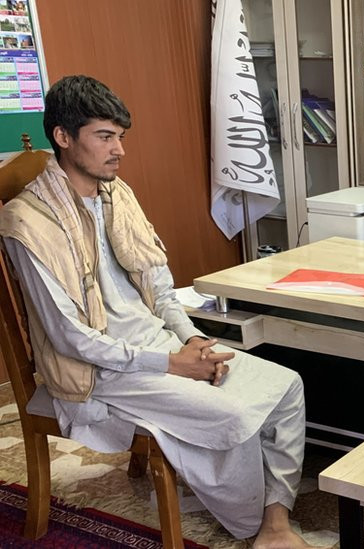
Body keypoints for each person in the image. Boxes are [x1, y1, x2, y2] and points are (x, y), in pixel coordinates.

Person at [0, 75, 318, 548]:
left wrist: (191, 340)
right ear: (64, 138)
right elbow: (70, 338)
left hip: (160, 346)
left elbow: (161, 286)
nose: (119, 150)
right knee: (232, 415)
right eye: (104, 137)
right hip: (97, 371)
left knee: (286, 385)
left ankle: (274, 522)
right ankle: (254, 526)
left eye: (120, 137)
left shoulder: (117, 195)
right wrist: (173, 365)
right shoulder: (26, 223)